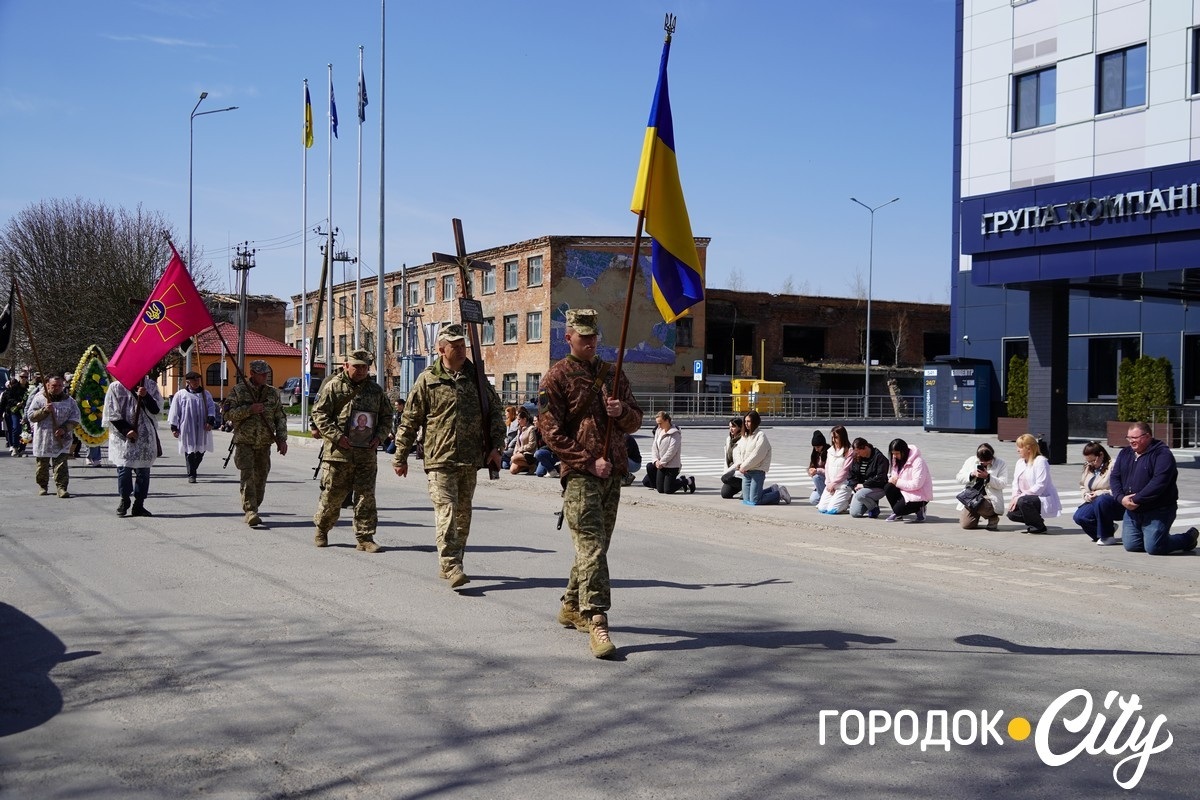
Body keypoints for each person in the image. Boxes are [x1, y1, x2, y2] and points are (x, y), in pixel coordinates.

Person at [538, 308, 643, 659]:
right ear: (568, 338)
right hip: (581, 476)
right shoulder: (557, 377)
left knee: (595, 547)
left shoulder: (611, 374)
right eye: (583, 337)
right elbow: (550, 432)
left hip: (612, 476)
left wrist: (621, 414)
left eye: (594, 337)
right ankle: (597, 618)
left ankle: (570, 604)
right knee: (593, 548)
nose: (590, 342)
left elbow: (636, 419)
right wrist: (587, 460)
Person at [394, 323, 504, 586]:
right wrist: (400, 456)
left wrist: (496, 447)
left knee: (463, 515)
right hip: (439, 458)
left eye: (463, 345)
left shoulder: (476, 377)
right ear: (441, 349)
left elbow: (496, 413)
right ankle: (452, 564)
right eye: (455, 346)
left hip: (470, 459)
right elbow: (410, 420)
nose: (461, 349)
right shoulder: (428, 379)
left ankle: (453, 561)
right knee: (448, 511)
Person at [312, 350, 392, 552]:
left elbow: (386, 417)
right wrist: (337, 437)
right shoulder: (333, 387)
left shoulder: (375, 391)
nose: (360, 370)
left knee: (366, 497)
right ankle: (322, 528)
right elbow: (319, 414)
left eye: (364, 367)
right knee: (333, 496)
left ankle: (365, 538)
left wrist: (379, 437)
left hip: (366, 454)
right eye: (356, 366)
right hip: (339, 454)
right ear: (347, 365)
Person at [1110, 421, 1199, 554]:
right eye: (1129, 438)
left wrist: (1137, 499)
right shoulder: (1125, 453)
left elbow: (1159, 482)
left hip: (1158, 509)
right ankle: (1153, 537)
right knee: (1131, 546)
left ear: (1147, 436)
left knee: (1154, 548)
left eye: (1135, 438)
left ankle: (1188, 538)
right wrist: (1121, 498)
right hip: (1133, 510)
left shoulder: (1162, 454)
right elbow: (1114, 477)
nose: (1131, 441)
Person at [225, 360, 289, 528]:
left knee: (261, 478)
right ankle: (250, 510)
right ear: (252, 373)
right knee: (248, 476)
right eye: (261, 374)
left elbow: (280, 417)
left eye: (266, 373)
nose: (265, 376)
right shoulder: (239, 391)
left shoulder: (272, 393)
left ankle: (255, 506)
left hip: (264, 442)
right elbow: (227, 415)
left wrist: (282, 439)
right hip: (245, 441)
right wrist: (249, 410)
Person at [102, 375, 163, 517]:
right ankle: (124, 499)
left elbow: (156, 410)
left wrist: (146, 396)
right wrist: (126, 430)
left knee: (143, 471)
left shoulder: (151, 385)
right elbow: (111, 413)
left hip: (144, 436)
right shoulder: (116, 387)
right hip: (122, 437)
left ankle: (139, 504)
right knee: (124, 469)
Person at [27, 375, 81, 498]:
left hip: (61, 438)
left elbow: (76, 418)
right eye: (53, 386)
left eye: (59, 386)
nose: (56, 388)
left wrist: (64, 428)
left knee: (61, 465)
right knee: (42, 465)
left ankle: (61, 487)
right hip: (44, 438)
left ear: (63, 386)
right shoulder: (40, 399)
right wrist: (44, 411)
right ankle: (43, 485)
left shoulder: (69, 401)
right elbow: (31, 416)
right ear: (48, 385)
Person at [1006, 432, 1062, 534]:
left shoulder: (1041, 461)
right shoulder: (1020, 462)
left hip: (1039, 498)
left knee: (1024, 501)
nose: (1017, 450)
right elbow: (1015, 483)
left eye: (1020, 447)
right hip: (1025, 498)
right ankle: (1036, 522)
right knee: (1011, 514)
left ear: (1029, 448)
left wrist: (1019, 498)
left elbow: (1040, 487)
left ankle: (1038, 527)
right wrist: (1014, 497)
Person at [732, 410, 790, 506]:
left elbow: (757, 455)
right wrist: (739, 464)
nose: (746, 424)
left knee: (755, 501)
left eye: (749, 421)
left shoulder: (761, 436)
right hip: (746, 472)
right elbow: (737, 450)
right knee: (746, 499)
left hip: (757, 471)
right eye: (745, 421)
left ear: (755, 422)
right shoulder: (745, 436)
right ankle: (772, 490)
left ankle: (779, 493)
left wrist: (744, 466)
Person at [167, 370, 216, 483]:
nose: (197, 382)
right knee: (189, 450)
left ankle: (194, 467)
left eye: (198, 379)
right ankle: (192, 474)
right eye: (194, 380)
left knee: (200, 450)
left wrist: (210, 421)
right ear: (188, 381)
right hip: (187, 426)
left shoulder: (205, 394)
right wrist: (174, 427)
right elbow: (175, 411)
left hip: (202, 426)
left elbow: (211, 408)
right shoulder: (181, 395)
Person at [1073, 441, 1124, 545]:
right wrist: (1086, 495)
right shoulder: (1088, 467)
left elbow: (1120, 488)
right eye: (1088, 461)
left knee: (1102, 500)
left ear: (1101, 455)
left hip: (1112, 501)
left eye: (1093, 460)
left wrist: (1101, 493)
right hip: (1094, 501)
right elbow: (1082, 485)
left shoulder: (1113, 465)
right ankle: (1104, 531)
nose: (1091, 464)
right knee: (1079, 517)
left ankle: (1106, 536)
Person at [954, 442, 1009, 530]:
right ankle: (977, 514)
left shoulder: (1000, 463)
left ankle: (992, 517)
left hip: (989, 498)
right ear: (978, 457)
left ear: (992, 457)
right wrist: (972, 474)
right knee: (966, 525)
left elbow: (1002, 484)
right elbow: (958, 478)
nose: (985, 464)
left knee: (979, 502)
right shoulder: (971, 461)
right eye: (982, 462)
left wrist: (988, 477)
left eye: (988, 462)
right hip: (972, 496)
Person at [643, 410, 693, 494]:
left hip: (672, 466)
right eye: (657, 423)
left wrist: (662, 462)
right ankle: (680, 480)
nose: (658, 426)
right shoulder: (659, 431)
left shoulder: (675, 433)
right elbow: (654, 447)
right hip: (661, 465)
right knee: (660, 490)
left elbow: (672, 451)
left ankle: (689, 481)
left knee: (668, 490)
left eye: (660, 423)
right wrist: (655, 461)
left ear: (667, 421)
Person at [884, 438, 933, 522]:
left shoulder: (918, 462)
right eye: (893, 454)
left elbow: (916, 484)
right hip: (904, 491)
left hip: (919, 495)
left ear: (904, 451)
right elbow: (894, 477)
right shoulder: (896, 460)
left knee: (899, 509)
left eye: (897, 453)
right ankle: (897, 513)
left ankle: (920, 508)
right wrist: (892, 480)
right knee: (888, 487)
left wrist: (897, 482)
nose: (895, 456)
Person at [847, 437, 890, 518]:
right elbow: (851, 474)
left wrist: (864, 485)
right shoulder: (857, 457)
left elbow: (880, 477)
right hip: (860, 488)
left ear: (865, 448)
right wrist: (854, 485)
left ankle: (874, 508)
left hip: (877, 487)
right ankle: (869, 503)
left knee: (860, 495)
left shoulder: (879, 458)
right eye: (856, 452)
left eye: (859, 452)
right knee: (855, 513)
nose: (858, 454)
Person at [817, 425, 853, 514]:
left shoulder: (849, 451)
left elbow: (845, 470)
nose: (834, 440)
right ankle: (837, 500)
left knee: (832, 510)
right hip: (831, 485)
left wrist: (833, 483)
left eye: (836, 437)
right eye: (832, 437)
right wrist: (829, 483)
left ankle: (846, 501)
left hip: (843, 485)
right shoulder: (830, 451)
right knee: (822, 508)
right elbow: (827, 467)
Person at [4, 371, 30, 456]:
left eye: (25, 377)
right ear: (19, 377)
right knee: (16, 428)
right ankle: (15, 447)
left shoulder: (29, 388)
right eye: (22, 377)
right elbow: (9, 398)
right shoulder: (14, 388)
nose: (24, 379)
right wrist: (16, 403)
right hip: (15, 411)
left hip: (26, 411)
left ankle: (22, 448)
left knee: (26, 430)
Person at [509, 406, 539, 475]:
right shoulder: (519, 429)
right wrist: (515, 451)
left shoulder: (531, 429)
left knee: (513, 459)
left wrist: (521, 449)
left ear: (524, 419)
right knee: (513, 470)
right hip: (520, 453)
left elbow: (532, 444)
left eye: (519, 419)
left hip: (529, 453)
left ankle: (532, 465)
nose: (518, 422)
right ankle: (527, 467)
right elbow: (517, 443)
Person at [720, 416, 744, 500]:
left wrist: (727, 472)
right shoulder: (728, 439)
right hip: (732, 471)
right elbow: (726, 458)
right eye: (729, 427)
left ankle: (747, 488)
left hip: (740, 472)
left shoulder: (743, 440)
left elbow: (739, 461)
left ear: (740, 427)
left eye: (733, 427)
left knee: (725, 478)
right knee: (725, 494)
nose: (731, 429)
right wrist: (725, 471)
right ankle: (743, 487)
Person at [807, 430, 829, 505]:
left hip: (827, 480)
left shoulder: (829, 452)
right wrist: (810, 470)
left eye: (818, 447)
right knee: (813, 500)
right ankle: (825, 499)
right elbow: (812, 466)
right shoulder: (815, 454)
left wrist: (817, 470)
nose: (816, 449)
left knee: (816, 477)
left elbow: (829, 471)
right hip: (820, 484)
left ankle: (826, 499)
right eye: (815, 447)